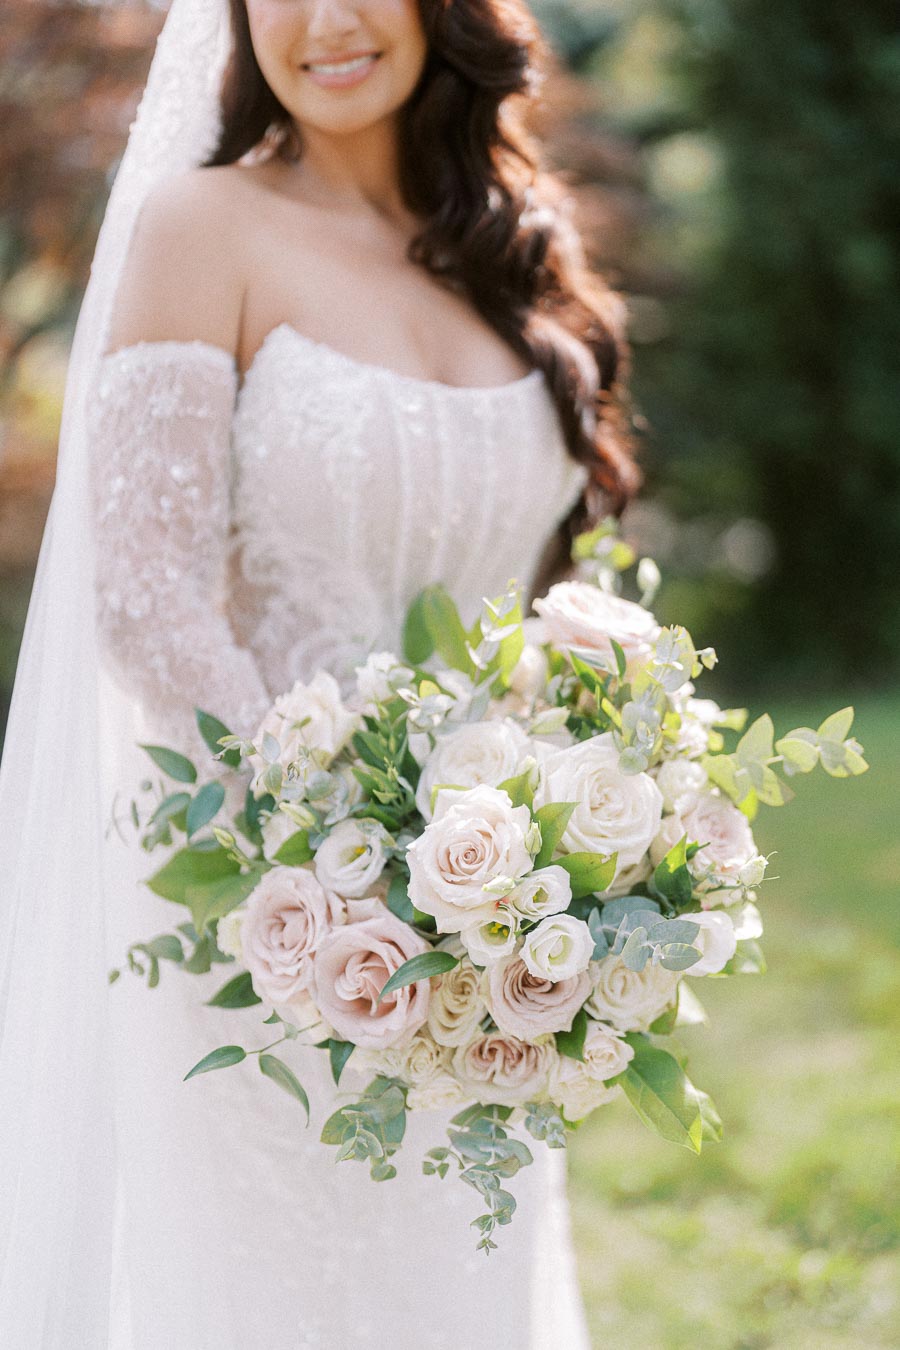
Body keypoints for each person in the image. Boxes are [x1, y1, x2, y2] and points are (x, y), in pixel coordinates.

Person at [0, 1, 639, 1345]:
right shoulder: (202, 228)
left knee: (454, 1281)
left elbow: (520, 578)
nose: (327, 19)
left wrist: (587, 776)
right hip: (273, 925)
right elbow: (151, 604)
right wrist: (341, 877)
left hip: (495, 939)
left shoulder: (503, 241)